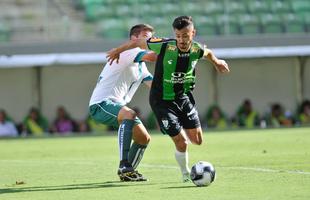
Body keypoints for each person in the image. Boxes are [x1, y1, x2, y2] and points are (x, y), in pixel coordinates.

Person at [107, 16, 230, 182]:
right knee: (182, 142)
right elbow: (138, 42)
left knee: (197, 140)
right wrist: (117, 51)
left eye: (185, 36)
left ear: (193, 33)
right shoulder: (164, 45)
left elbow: (207, 53)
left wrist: (217, 62)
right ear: (175, 34)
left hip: (184, 97)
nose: (181, 40)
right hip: (162, 101)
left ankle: (185, 153)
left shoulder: (196, 49)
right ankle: (186, 174)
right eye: (178, 36)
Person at [89, 24, 157, 182]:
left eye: (152, 37)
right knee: (129, 113)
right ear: (134, 39)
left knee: (143, 138)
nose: (151, 40)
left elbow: (155, 86)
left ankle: (128, 172)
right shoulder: (129, 52)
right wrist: (173, 49)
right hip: (101, 104)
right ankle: (124, 164)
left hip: (116, 105)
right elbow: (154, 57)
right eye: (147, 37)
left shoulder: (141, 65)